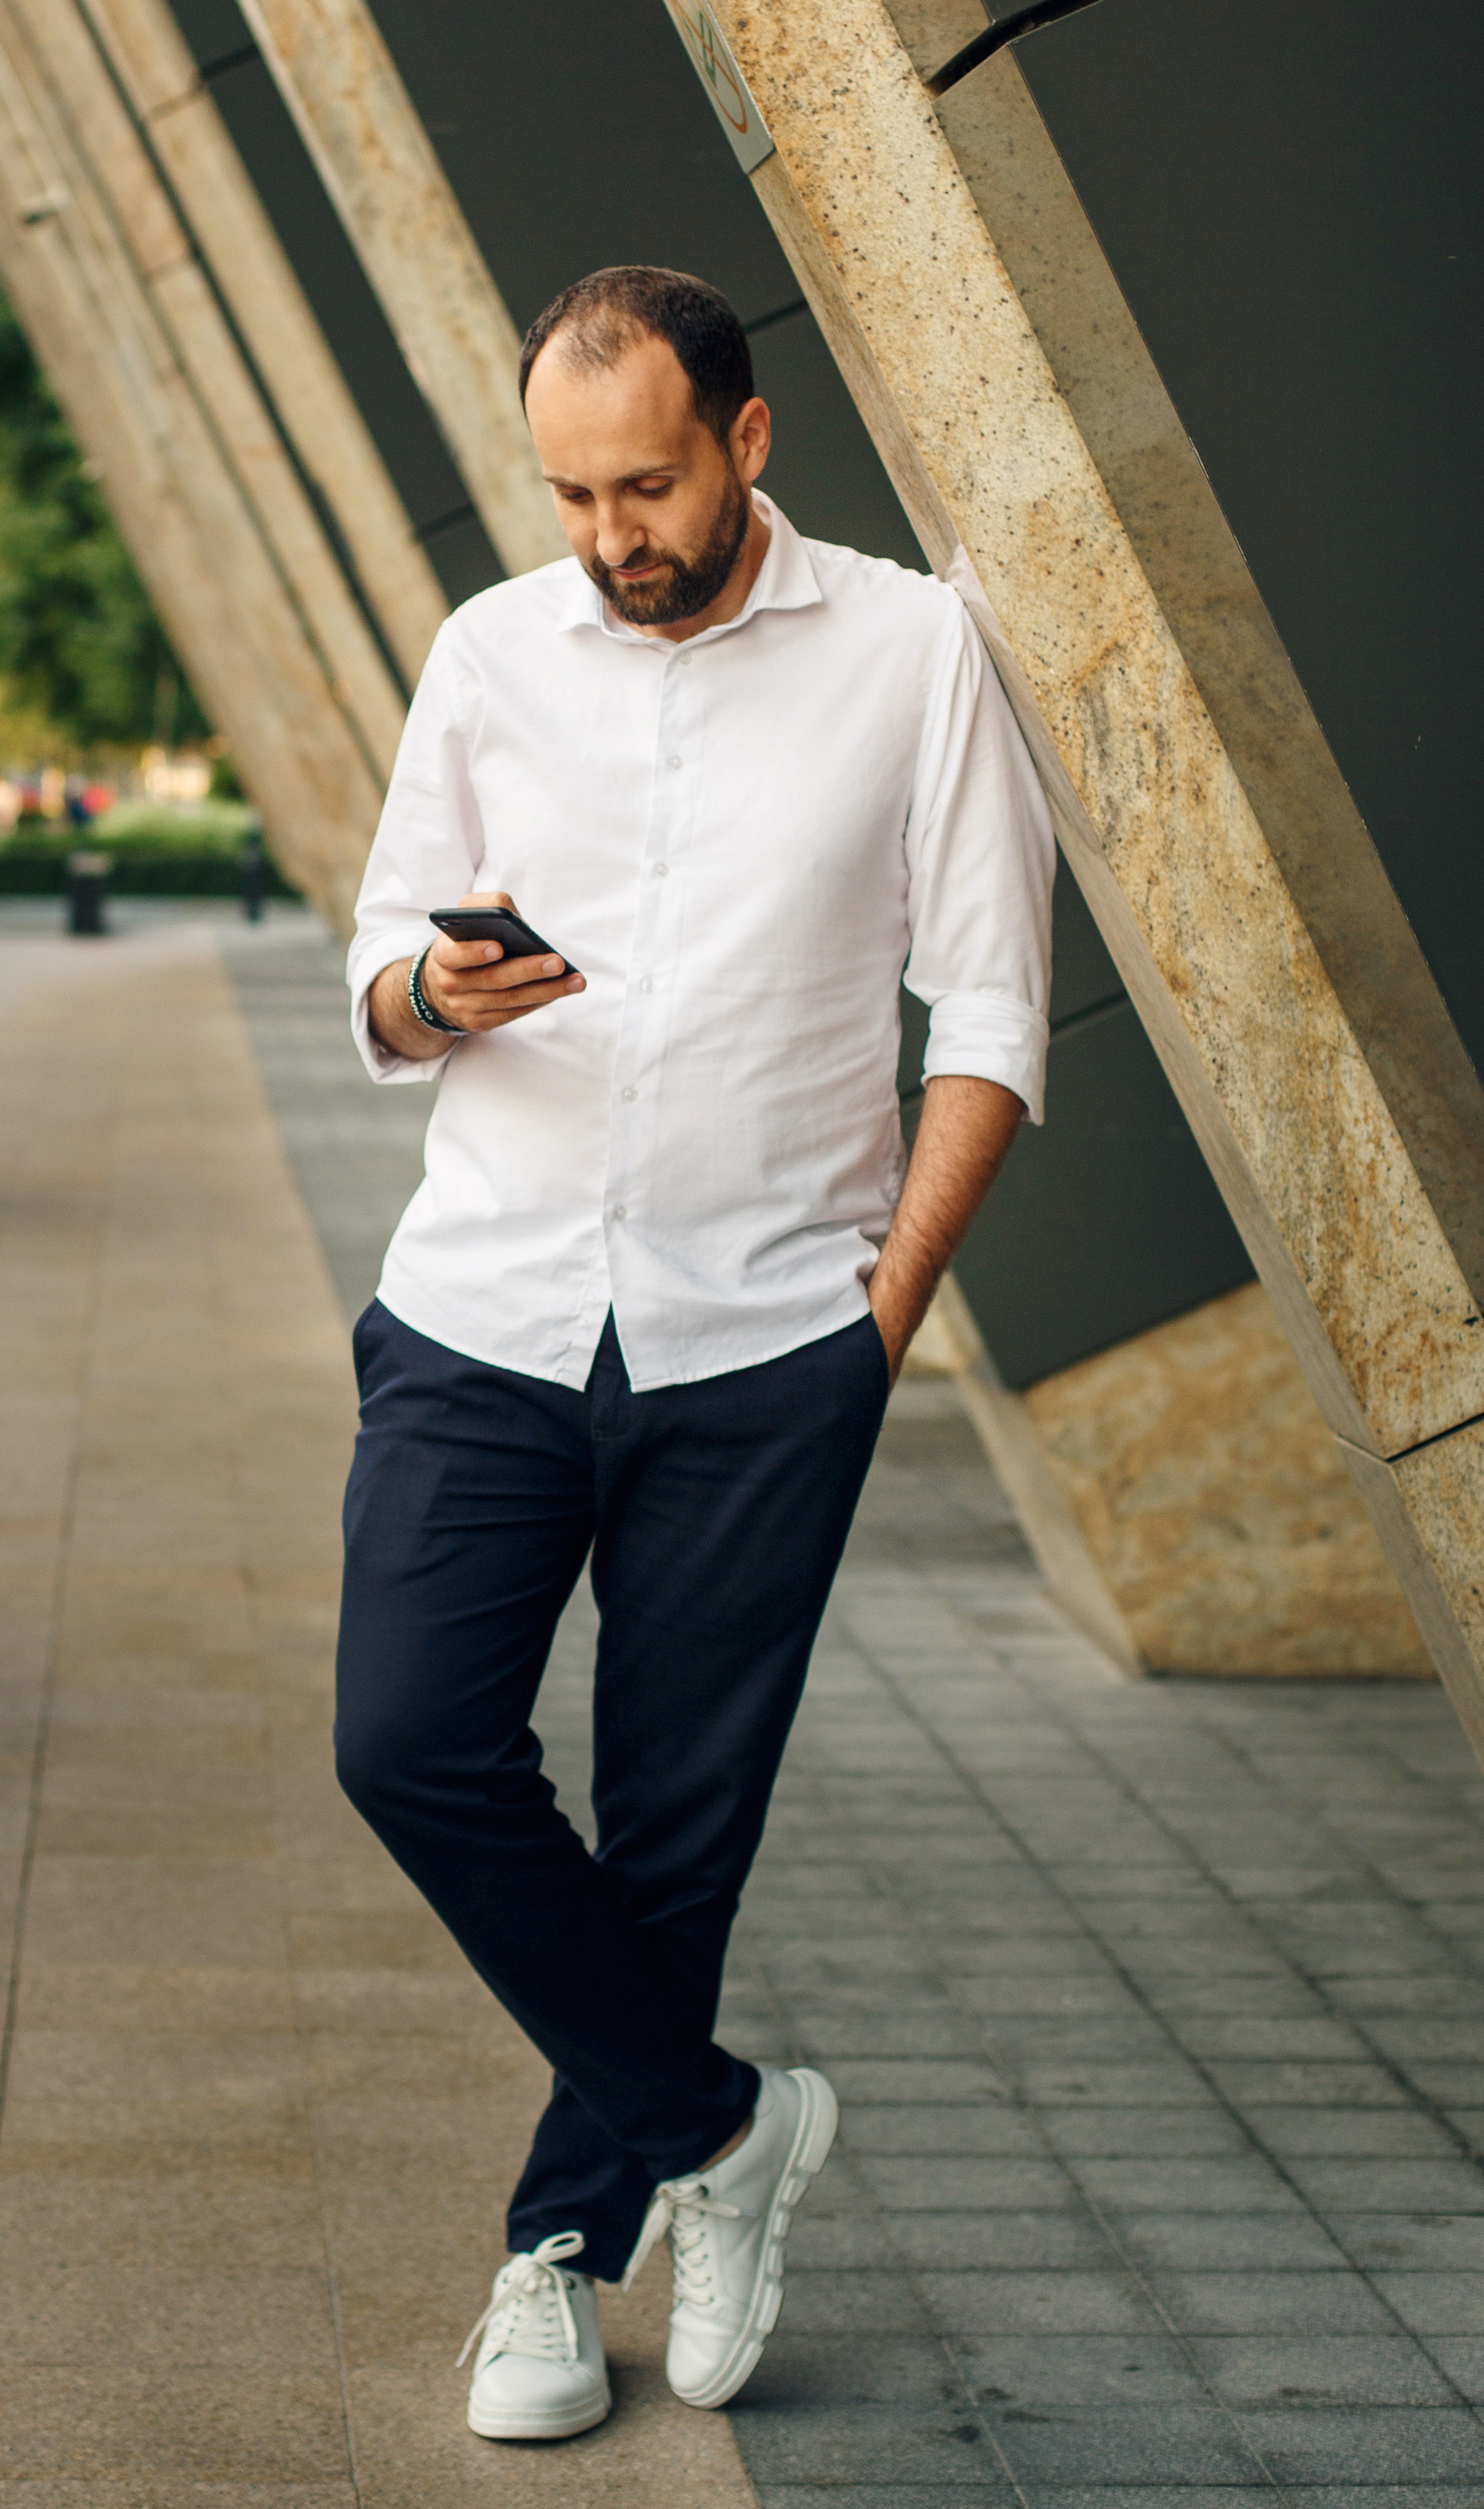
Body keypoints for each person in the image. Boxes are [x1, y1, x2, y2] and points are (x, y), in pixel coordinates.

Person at [337, 264, 1052, 2440]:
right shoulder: (490, 649)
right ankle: (730, 2132)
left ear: (746, 443)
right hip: (484, 1306)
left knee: (672, 1833)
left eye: (642, 483)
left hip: (769, 1337)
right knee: (406, 1745)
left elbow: (992, 1017)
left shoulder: (914, 651)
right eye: (569, 491)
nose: (605, 533)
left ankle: (553, 2256)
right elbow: (377, 955)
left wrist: (888, 1301)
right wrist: (425, 1004)